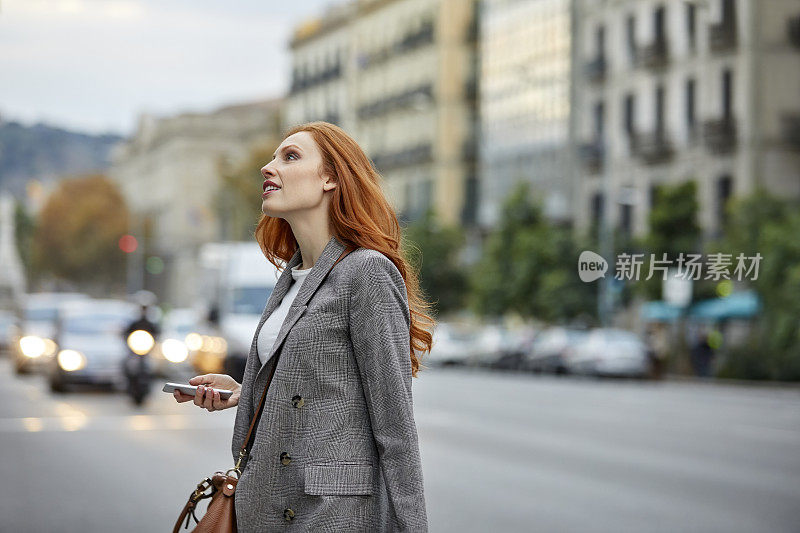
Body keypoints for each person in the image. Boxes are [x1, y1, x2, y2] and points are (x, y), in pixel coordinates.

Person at [173, 122, 433, 532]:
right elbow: (315, 387)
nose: (267, 167)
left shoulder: (367, 272)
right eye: (273, 156)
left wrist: (411, 528)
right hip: (263, 506)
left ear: (330, 178)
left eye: (290, 156)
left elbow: (394, 426)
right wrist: (246, 393)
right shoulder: (291, 277)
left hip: (330, 513)